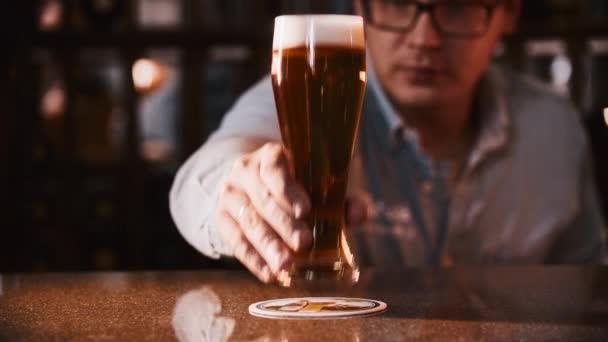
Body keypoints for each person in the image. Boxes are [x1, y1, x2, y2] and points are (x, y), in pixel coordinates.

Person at [170, 0, 607, 283]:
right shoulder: (311, 91)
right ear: (361, 8)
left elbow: (589, 279)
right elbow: (204, 174)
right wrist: (237, 192)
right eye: (398, 4)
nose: (425, 39)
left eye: (457, 9)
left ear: (509, 13)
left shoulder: (553, 128)